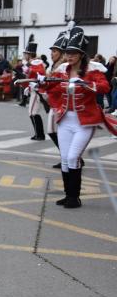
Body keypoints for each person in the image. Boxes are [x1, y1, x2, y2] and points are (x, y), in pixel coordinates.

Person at [40, 26, 116, 209]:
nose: (70, 56)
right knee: (65, 158)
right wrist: (40, 85)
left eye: (74, 53)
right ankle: (69, 196)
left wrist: (85, 83)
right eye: (68, 53)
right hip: (65, 119)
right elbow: (54, 88)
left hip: (85, 121)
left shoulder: (92, 70)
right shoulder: (63, 70)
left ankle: (75, 197)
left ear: (81, 54)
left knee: (74, 156)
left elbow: (105, 87)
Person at [46, 29, 69, 168]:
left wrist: (45, 87)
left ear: (61, 53)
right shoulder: (54, 66)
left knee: (57, 132)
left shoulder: (63, 67)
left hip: (60, 104)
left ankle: (68, 157)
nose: (52, 53)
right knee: (52, 131)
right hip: (53, 103)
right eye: (52, 51)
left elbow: (61, 86)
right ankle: (65, 156)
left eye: (55, 51)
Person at [20, 35, 47, 140]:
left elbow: (40, 74)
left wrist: (29, 70)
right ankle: (39, 134)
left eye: (25, 53)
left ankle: (40, 134)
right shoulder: (32, 63)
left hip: (37, 90)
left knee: (32, 112)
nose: (24, 55)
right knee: (32, 112)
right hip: (33, 89)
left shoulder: (36, 62)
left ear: (29, 54)